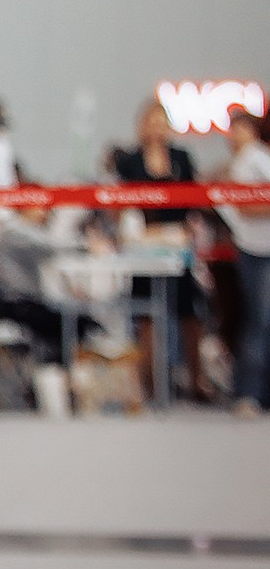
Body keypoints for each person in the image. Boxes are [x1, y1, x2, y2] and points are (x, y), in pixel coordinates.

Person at [108, 99, 209, 400]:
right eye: (152, 122)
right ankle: (149, 381)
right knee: (147, 314)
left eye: (161, 122)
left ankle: (196, 379)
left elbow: (194, 197)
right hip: (144, 244)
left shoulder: (181, 158)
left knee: (189, 312)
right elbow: (119, 205)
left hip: (177, 242)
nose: (157, 128)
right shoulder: (130, 161)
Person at [218, 109, 270, 415]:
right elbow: (244, 207)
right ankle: (248, 391)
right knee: (259, 321)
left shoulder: (259, 158)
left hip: (260, 246)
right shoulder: (246, 162)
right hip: (256, 250)